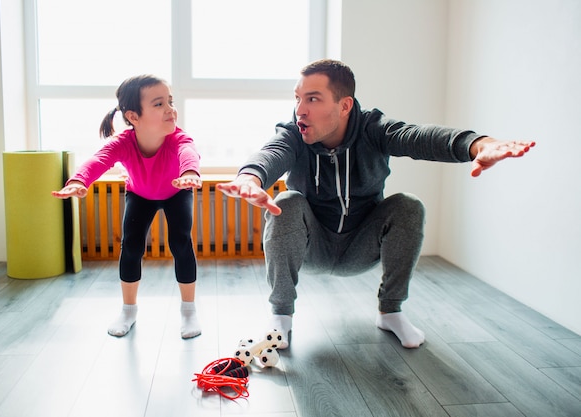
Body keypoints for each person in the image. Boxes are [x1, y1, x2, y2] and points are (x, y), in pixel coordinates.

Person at [216, 59, 535, 349]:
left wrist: (480, 145)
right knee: (286, 202)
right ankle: (281, 317)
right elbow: (272, 152)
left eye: (312, 99)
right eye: (298, 98)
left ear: (344, 106)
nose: (300, 109)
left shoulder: (373, 129)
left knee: (408, 205)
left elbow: (420, 137)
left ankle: (390, 312)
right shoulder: (294, 134)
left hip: (360, 246)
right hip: (313, 246)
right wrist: (250, 178)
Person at [52, 74, 203, 339]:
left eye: (170, 100)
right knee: (131, 247)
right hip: (140, 194)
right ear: (133, 116)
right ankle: (128, 310)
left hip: (177, 191)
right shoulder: (123, 143)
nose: (170, 109)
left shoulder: (179, 137)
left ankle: (188, 310)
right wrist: (78, 180)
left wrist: (190, 172)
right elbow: (99, 160)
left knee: (181, 243)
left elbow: (188, 153)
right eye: (159, 104)